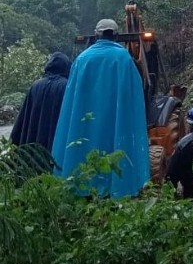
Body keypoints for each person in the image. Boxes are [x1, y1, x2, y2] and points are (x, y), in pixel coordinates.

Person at [51, 18, 150, 198]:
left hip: (85, 123)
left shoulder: (82, 60)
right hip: (114, 121)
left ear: (97, 35)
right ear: (116, 35)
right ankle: (116, 188)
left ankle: (80, 186)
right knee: (113, 148)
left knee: (83, 144)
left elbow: (71, 100)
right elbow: (133, 96)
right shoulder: (124, 59)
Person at [11, 52, 71, 152]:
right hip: (54, 143)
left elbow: (23, 117)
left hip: (32, 144)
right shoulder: (66, 86)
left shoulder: (36, 85)